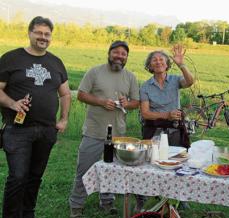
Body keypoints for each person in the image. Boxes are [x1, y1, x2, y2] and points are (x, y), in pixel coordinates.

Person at [0, 16, 71, 217]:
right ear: (29, 33)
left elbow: (65, 93)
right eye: (38, 33)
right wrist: (13, 104)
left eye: (47, 34)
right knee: (18, 176)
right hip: (17, 129)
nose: (43, 37)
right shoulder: (11, 58)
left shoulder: (56, 62)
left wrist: (64, 119)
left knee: (35, 176)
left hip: (47, 130)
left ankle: (28, 212)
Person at [68, 40, 140, 217]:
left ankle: (107, 201)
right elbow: (81, 95)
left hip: (118, 134)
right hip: (94, 131)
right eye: (116, 52)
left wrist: (127, 103)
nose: (119, 56)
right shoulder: (95, 71)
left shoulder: (130, 77)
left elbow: (136, 102)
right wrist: (101, 102)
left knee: (112, 170)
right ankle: (76, 205)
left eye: (124, 54)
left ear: (127, 58)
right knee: (84, 169)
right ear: (109, 53)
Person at [140, 44, 194, 147]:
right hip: (153, 131)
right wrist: (167, 115)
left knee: (175, 159)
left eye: (161, 59)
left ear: (166, 64)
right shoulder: (145, 87)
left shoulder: (176, 80)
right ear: (150, 65)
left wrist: (181, 65)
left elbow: (190, 82)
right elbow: (145, 113)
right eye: (154, 60)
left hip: (175, 130)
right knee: (154, 159)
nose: (158, 62)